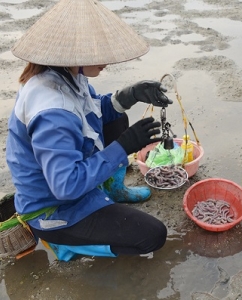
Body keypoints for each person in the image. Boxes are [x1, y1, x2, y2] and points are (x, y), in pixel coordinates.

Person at [6, 0, 173, 261]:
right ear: (74, 54)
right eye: (97, 52)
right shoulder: (52, 112)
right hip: (54, 206)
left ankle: (112, 191)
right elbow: (65, 186)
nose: (106, 60)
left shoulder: (66, 74)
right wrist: (123, 147)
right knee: (152, 236)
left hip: (69, 179)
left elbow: (93, 111)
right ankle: (66, 244)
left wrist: (131, 94)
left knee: (117, 118)